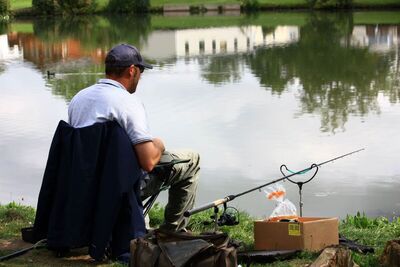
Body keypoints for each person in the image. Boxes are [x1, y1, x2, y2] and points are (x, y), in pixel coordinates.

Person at [68, 43, 200, 232]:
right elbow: (148, 162)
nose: (141, 77)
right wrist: (159, 145)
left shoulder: (79, 98)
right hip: (119, 187)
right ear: (131, 71)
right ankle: (173, 231)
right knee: (192, 160)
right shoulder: (128, 102)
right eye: (141, 71)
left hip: (85, 186)